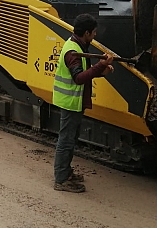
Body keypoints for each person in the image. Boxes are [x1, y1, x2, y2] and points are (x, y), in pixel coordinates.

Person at [53, 13, 114, 193]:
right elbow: (79, 77)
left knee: (70, 140)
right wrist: (100, 66)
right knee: (65, 141)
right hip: (70, 101)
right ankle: (61, 179)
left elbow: (85, 73)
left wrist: (100, 70)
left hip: (74, 101)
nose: (95, 35)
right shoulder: (72, 52)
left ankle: (66, 172)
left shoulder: (78, 45)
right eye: (94, 32)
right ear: (86, 32)